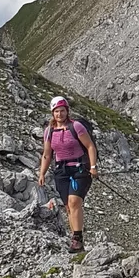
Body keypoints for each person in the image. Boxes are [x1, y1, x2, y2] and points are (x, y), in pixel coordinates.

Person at [38, 96, 98, 252]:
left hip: (80, 168)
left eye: (62, 111)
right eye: (56, 111)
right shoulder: (49, 131)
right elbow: (47, 155)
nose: (59, 114)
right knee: (68, 207)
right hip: (61, 171)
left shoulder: (76, 126)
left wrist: (93, 166)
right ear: (52, 113)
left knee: (74, 202)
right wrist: (42, 173)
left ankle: (77, 239)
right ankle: (76, 241)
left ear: (67, 111)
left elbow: (90, 146)